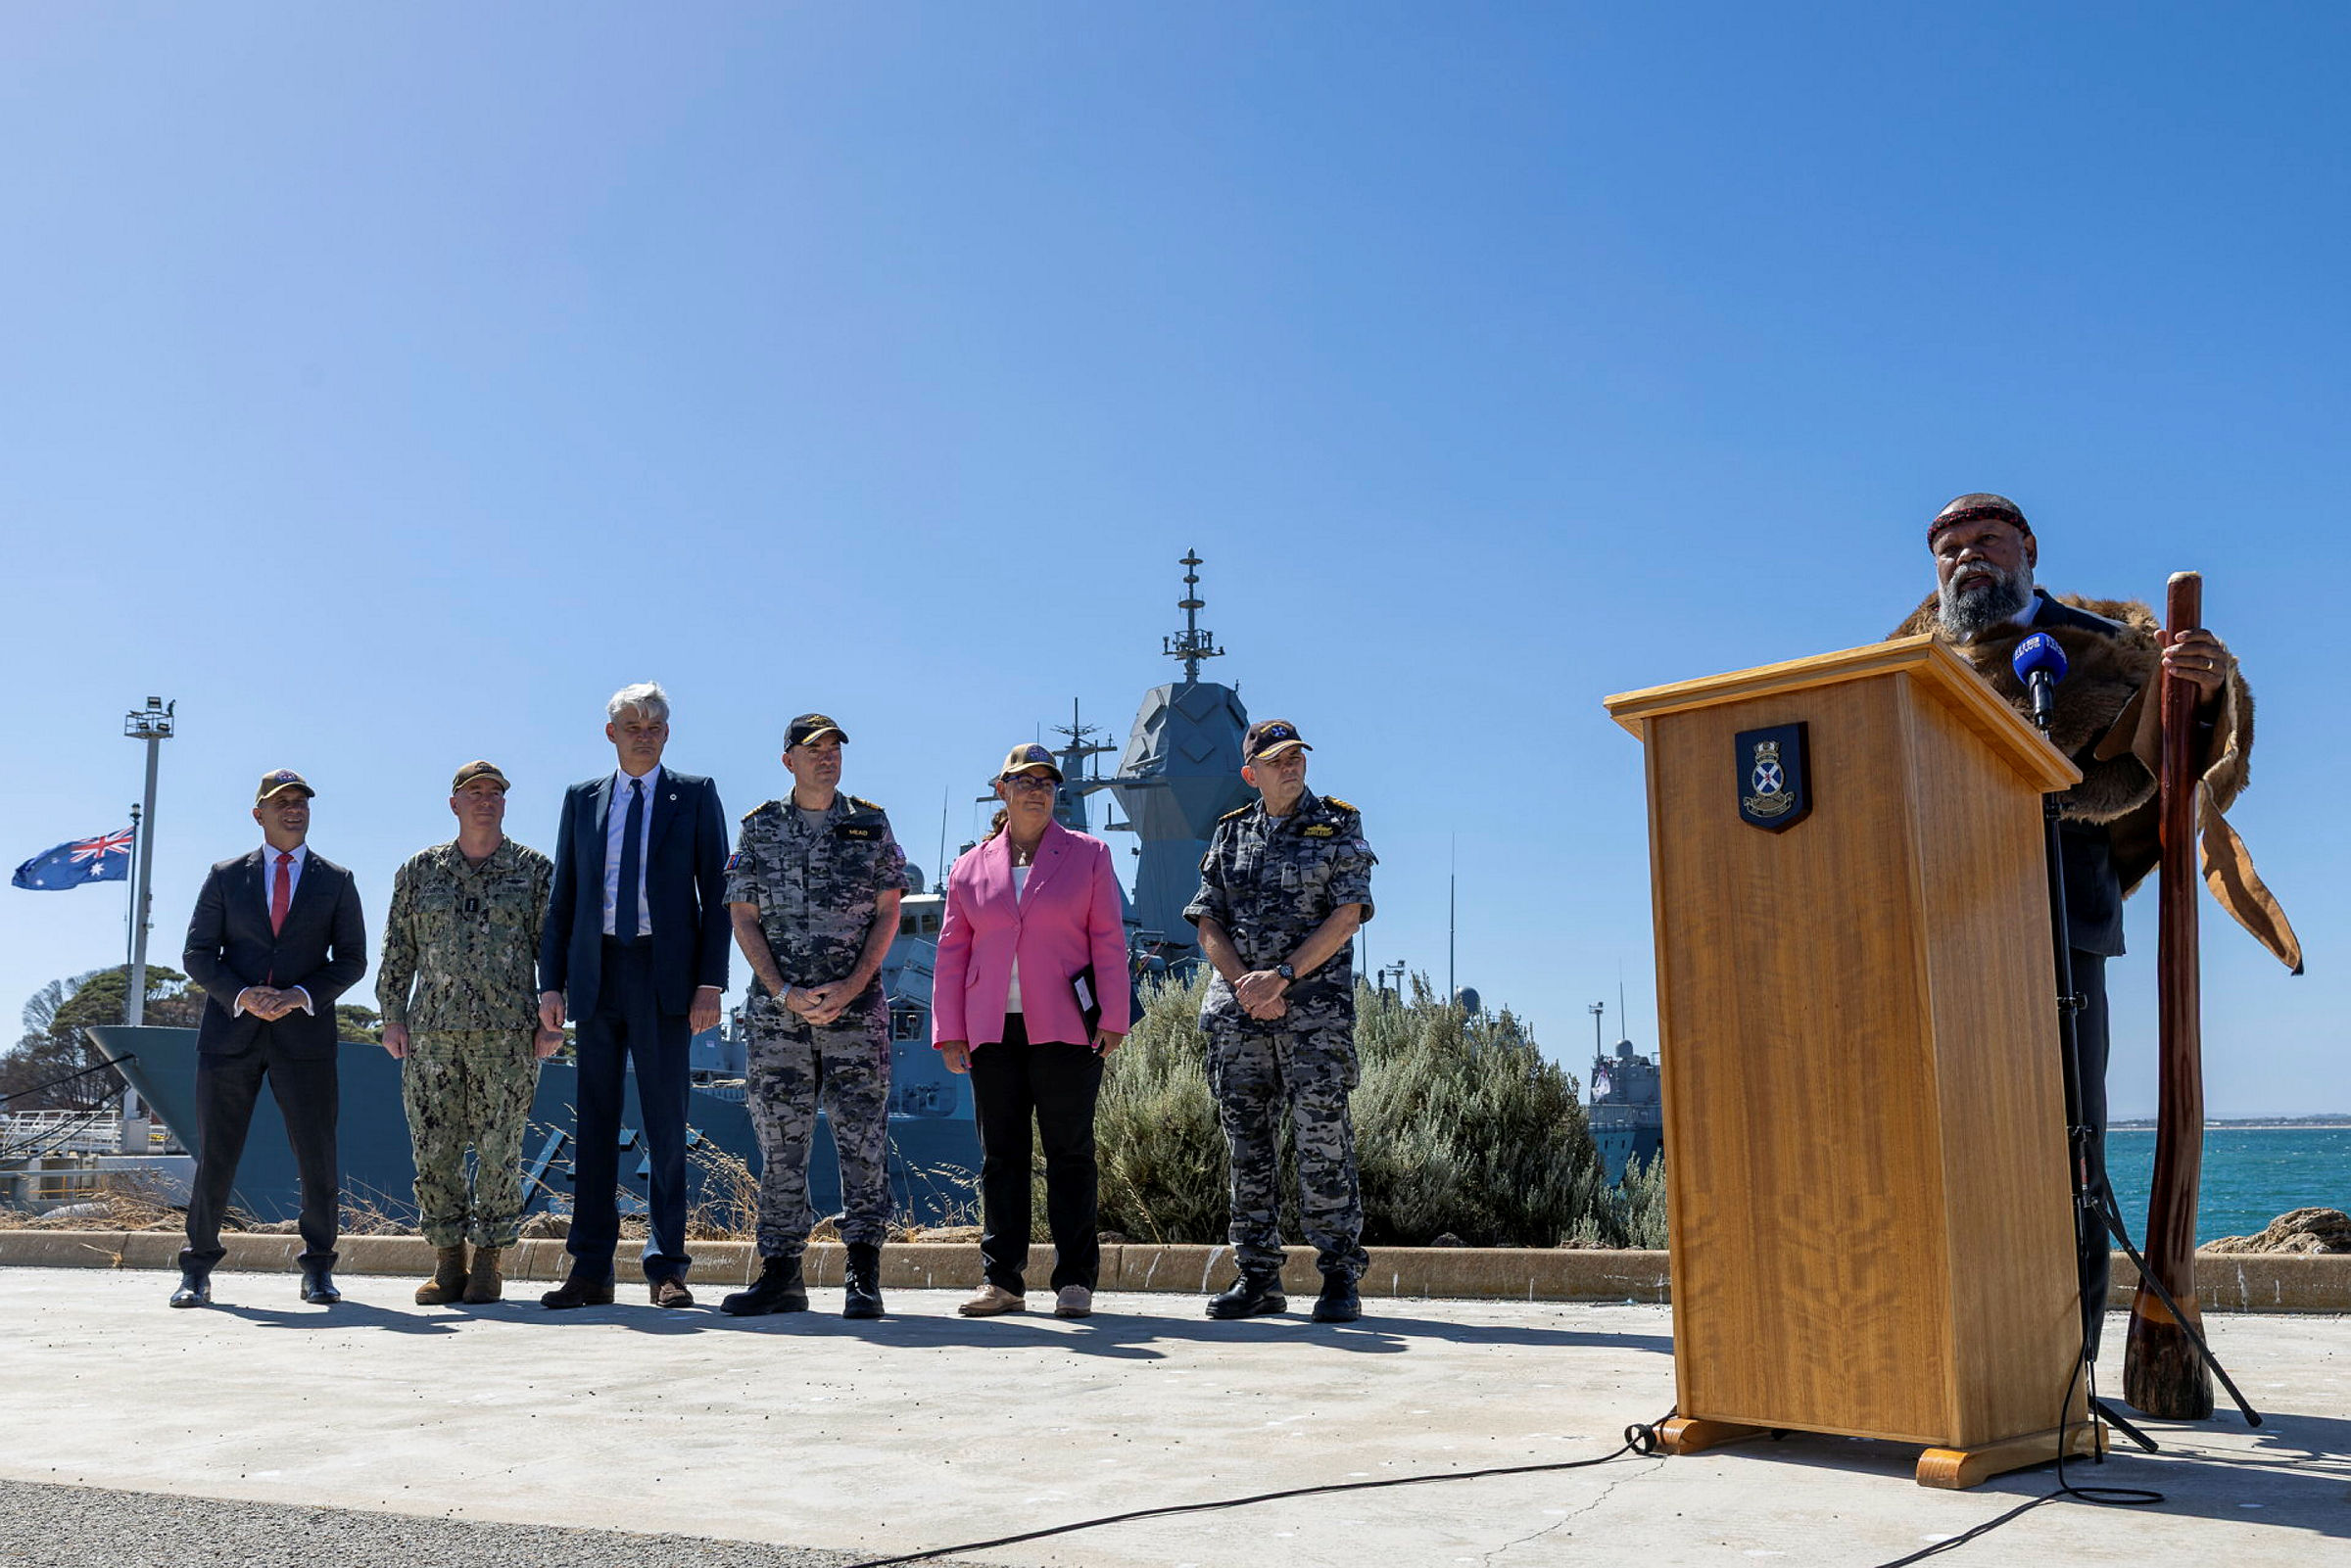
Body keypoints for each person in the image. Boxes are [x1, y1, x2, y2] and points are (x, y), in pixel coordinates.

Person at [1895, 493, 2298, 1355]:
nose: (1968, 557)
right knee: (1939, 1143)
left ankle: (2063, 1370)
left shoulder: (2107, 643)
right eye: (1950, 546)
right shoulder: (1905, 661)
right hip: (1936, 919)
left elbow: (2173, 760)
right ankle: (1954, 1353)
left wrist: (2199, 684)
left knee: (2065, 1147)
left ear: (2028, 549)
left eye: (1986, 540)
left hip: (2060, 914)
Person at [538, 683, 730, 1309]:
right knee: (593, 1125)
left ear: (667, 734)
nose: (642, 734)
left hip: (664, 976)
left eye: (653, 725)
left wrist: (711, 981)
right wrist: (552, 982)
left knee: (665, 1124)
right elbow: (563, 896)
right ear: (610, 734)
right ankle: (590, 1269)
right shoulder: (581, 800)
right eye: (631, 724)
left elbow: (716, 893)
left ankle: (667, 1267)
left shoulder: (695, 795)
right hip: (597, 975)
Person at [1184, 719, 1375, 1324]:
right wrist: (1246, 983)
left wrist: (1282, 977)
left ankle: (1339, 1275)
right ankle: (1259, 1276)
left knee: (1322, 1144)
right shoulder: (1230, 832)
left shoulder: (1337, 824)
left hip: (1311, 1018)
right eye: (1277, 759)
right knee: (1248, 1148)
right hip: (1240, 1018)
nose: (1290, 765)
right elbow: (1206, 918)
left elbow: (1348, 915)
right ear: (1251, 773)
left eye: (1296, 756)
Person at [720, 714, 909, 1319]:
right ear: (788, 761)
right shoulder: (759, 828)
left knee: (862, 1142)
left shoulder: (870, 824)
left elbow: (888, 911)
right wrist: (781, 991)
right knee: (781, 1144)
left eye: (834, 749)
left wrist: (853, 986)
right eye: (813, 749)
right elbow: (743, 915)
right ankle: (781, 1276)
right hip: (780, 1018)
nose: (827, 758)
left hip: (857, 1014)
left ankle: (863, 1276)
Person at [933, 743, 1131, 1319]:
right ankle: (1003, 1282)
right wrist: (950, 1029)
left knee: (1070, 1153)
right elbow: (951, 951)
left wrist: (1113, 1015)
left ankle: (1074, 1281)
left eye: (1046, 782)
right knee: (1002, 1155)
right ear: (1003, 789)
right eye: (1025, 781)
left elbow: (1109, 940)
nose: (1037, 790)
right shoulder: (970, 866)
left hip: (1067, 1025)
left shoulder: (1089, 855)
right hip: (991, 1028)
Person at [172, 769, 367, 1308]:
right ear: (258, 814)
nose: (294, 809)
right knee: (216, 1155)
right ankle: (196, 1269)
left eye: (301, 801)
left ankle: (319, 1270)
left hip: (304, 1038)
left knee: (317, 1156)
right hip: (229, 1035)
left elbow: (351, 961)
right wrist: (243, 995)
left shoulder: (337, 880)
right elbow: (197, 954)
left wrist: (301, 994)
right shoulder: (224, 876)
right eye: (281, 802)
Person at [376, 760, 559, 1307]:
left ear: (505, 802)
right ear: (454, 803)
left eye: (495, 793)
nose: (485, 800)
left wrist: (553, 1020)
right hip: (432, 1035)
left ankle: (489, 1262)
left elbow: (551, 952)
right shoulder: (419, 871)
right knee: (434, 1152)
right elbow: (398, 947)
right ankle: (447, 1260)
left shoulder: (533, 870)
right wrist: (392, 1015)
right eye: (474, 792)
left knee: (501, 1152)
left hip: (508, 1037)